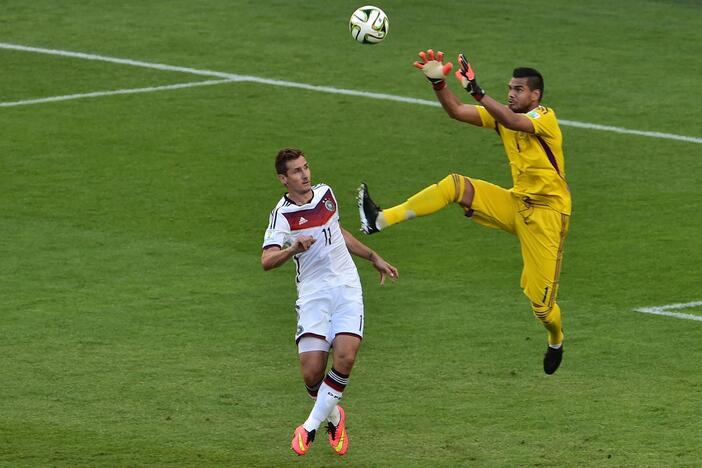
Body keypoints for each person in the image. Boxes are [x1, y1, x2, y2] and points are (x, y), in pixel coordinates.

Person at [358, 50, 571, 375]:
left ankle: (556, 338)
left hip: (547, 217)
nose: (511, 94)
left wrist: (478, 91)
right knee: (456, 185)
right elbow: (456, 111)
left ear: (535, 95)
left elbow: (513, 120)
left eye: (518, 90)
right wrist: (439, 83)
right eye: (509, 89)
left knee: (542, 308)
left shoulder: (544, 118)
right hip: (516, 203)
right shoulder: (503, 115)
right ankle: (380, 219)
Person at [262, 148, 398, 456]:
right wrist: (292, 248)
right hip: (313, 292)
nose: (305, 174)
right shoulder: (281, 216)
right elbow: (267, 260)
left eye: (306, 167)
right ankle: (334, 415)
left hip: (346, 285)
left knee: (346, 356)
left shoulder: (326, 194)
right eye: (296, 171)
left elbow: (337, 232)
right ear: (284, 179)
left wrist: (372, 256)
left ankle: (308, 427)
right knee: (312, 374)